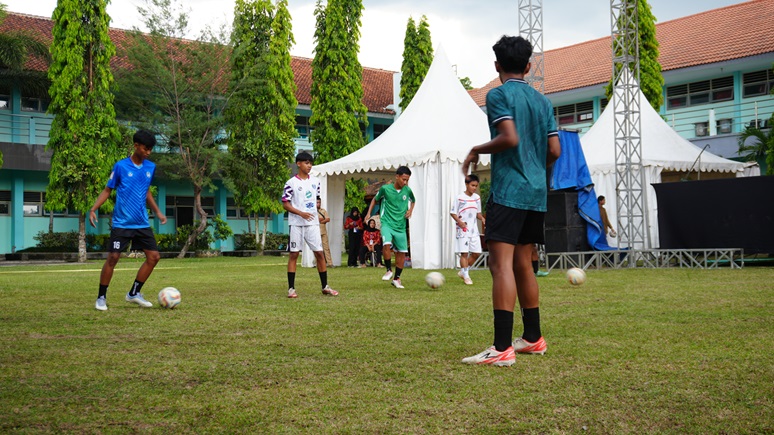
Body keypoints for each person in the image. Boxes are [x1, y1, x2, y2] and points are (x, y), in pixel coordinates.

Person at [461, 35, 561, 366]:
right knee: (523, 263)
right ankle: (533, 338)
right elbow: (555, 151)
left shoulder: (498, 94)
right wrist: (534, 168)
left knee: (499, 264)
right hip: (536, 192)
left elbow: (509, 137)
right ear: (529, 66)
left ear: (497, 66)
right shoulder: (543, 102)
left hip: (509, 191)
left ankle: (502, 347)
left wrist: (477, 149)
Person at [90, 130, 167, 311]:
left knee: (154, 257)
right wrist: (93, 209)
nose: (148, 152)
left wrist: (157, 212)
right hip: (122, 223)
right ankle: (101, 297)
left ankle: (134, 293)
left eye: (151, 149)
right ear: (136, 146)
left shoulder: (150, 167)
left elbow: (146, 190)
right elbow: (108, 190)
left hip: (142, 223)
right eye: (145, 148)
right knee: (113, 257)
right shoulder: (121, 166)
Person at [281, 152, 338, 298]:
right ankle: (291, 289)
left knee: (319, 253)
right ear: (298, 164)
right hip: (296, 224)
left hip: (312, 224)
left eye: (311, 163)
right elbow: (285, 204)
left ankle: (325, 286)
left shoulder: (315, 182)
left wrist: (316, 213)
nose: (309, 166)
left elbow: (316, 200)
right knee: (294, 254)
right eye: (306, 163)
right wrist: (300, 213)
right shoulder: (291, 183)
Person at [365, 166, 415, 289]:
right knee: (386, 243)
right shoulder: (385, 189)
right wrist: (368, 214)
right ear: (397, 177)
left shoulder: (407, 191)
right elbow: (374, 200)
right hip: (387, 223)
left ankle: (397, 279)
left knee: (402, 253)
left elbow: (413, 200)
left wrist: (410, 210)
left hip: (401, 226)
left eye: (407, 180)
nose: (405, 182)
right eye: (403, 179)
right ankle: (388, 270)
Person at [450, 174, 485, 285]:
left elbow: (478, 213)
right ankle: (466, 276)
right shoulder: (459, 198)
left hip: (474, 230)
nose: (474, 188)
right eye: (472, 185)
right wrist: (459, 222)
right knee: (464, 253)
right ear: (466, 184)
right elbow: (453, 212)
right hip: (463, 229)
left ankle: (463, 271)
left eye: (476, 186)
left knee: (476, 253)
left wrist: (483, 219)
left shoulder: (477, 198)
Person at [317, 198, 333, 267]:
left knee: (326, 248)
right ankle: (318, 263)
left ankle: (330, 263)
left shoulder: (323, 211)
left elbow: (328, 219)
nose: (318, 204)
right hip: (316, 232)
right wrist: (322, 220)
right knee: (317, 248)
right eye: (317, 202)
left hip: (323, 231)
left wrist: (321, 221)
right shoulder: (312, 211)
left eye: (319, 202)